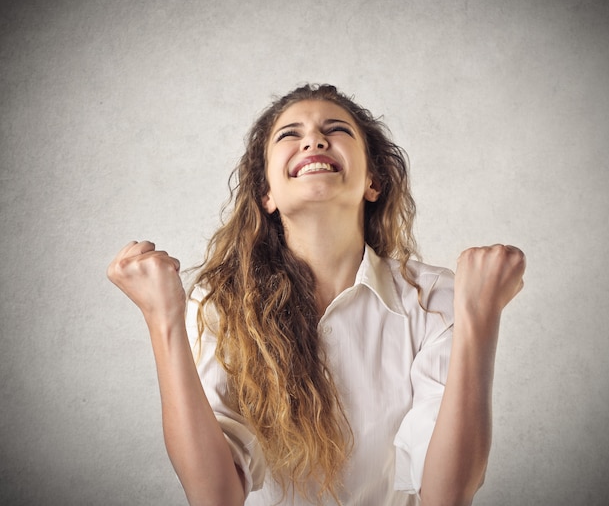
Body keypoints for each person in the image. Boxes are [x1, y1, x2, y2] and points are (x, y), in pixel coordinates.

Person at [107, 84, 525, 506]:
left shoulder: (433, 299)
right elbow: (214, 497)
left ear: (373, 181)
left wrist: (479, 314)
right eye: (290, 134)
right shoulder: (219, 305)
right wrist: (163, 318)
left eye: (336, 129)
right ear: (266, 194)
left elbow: (446, 496)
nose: (313, 139)